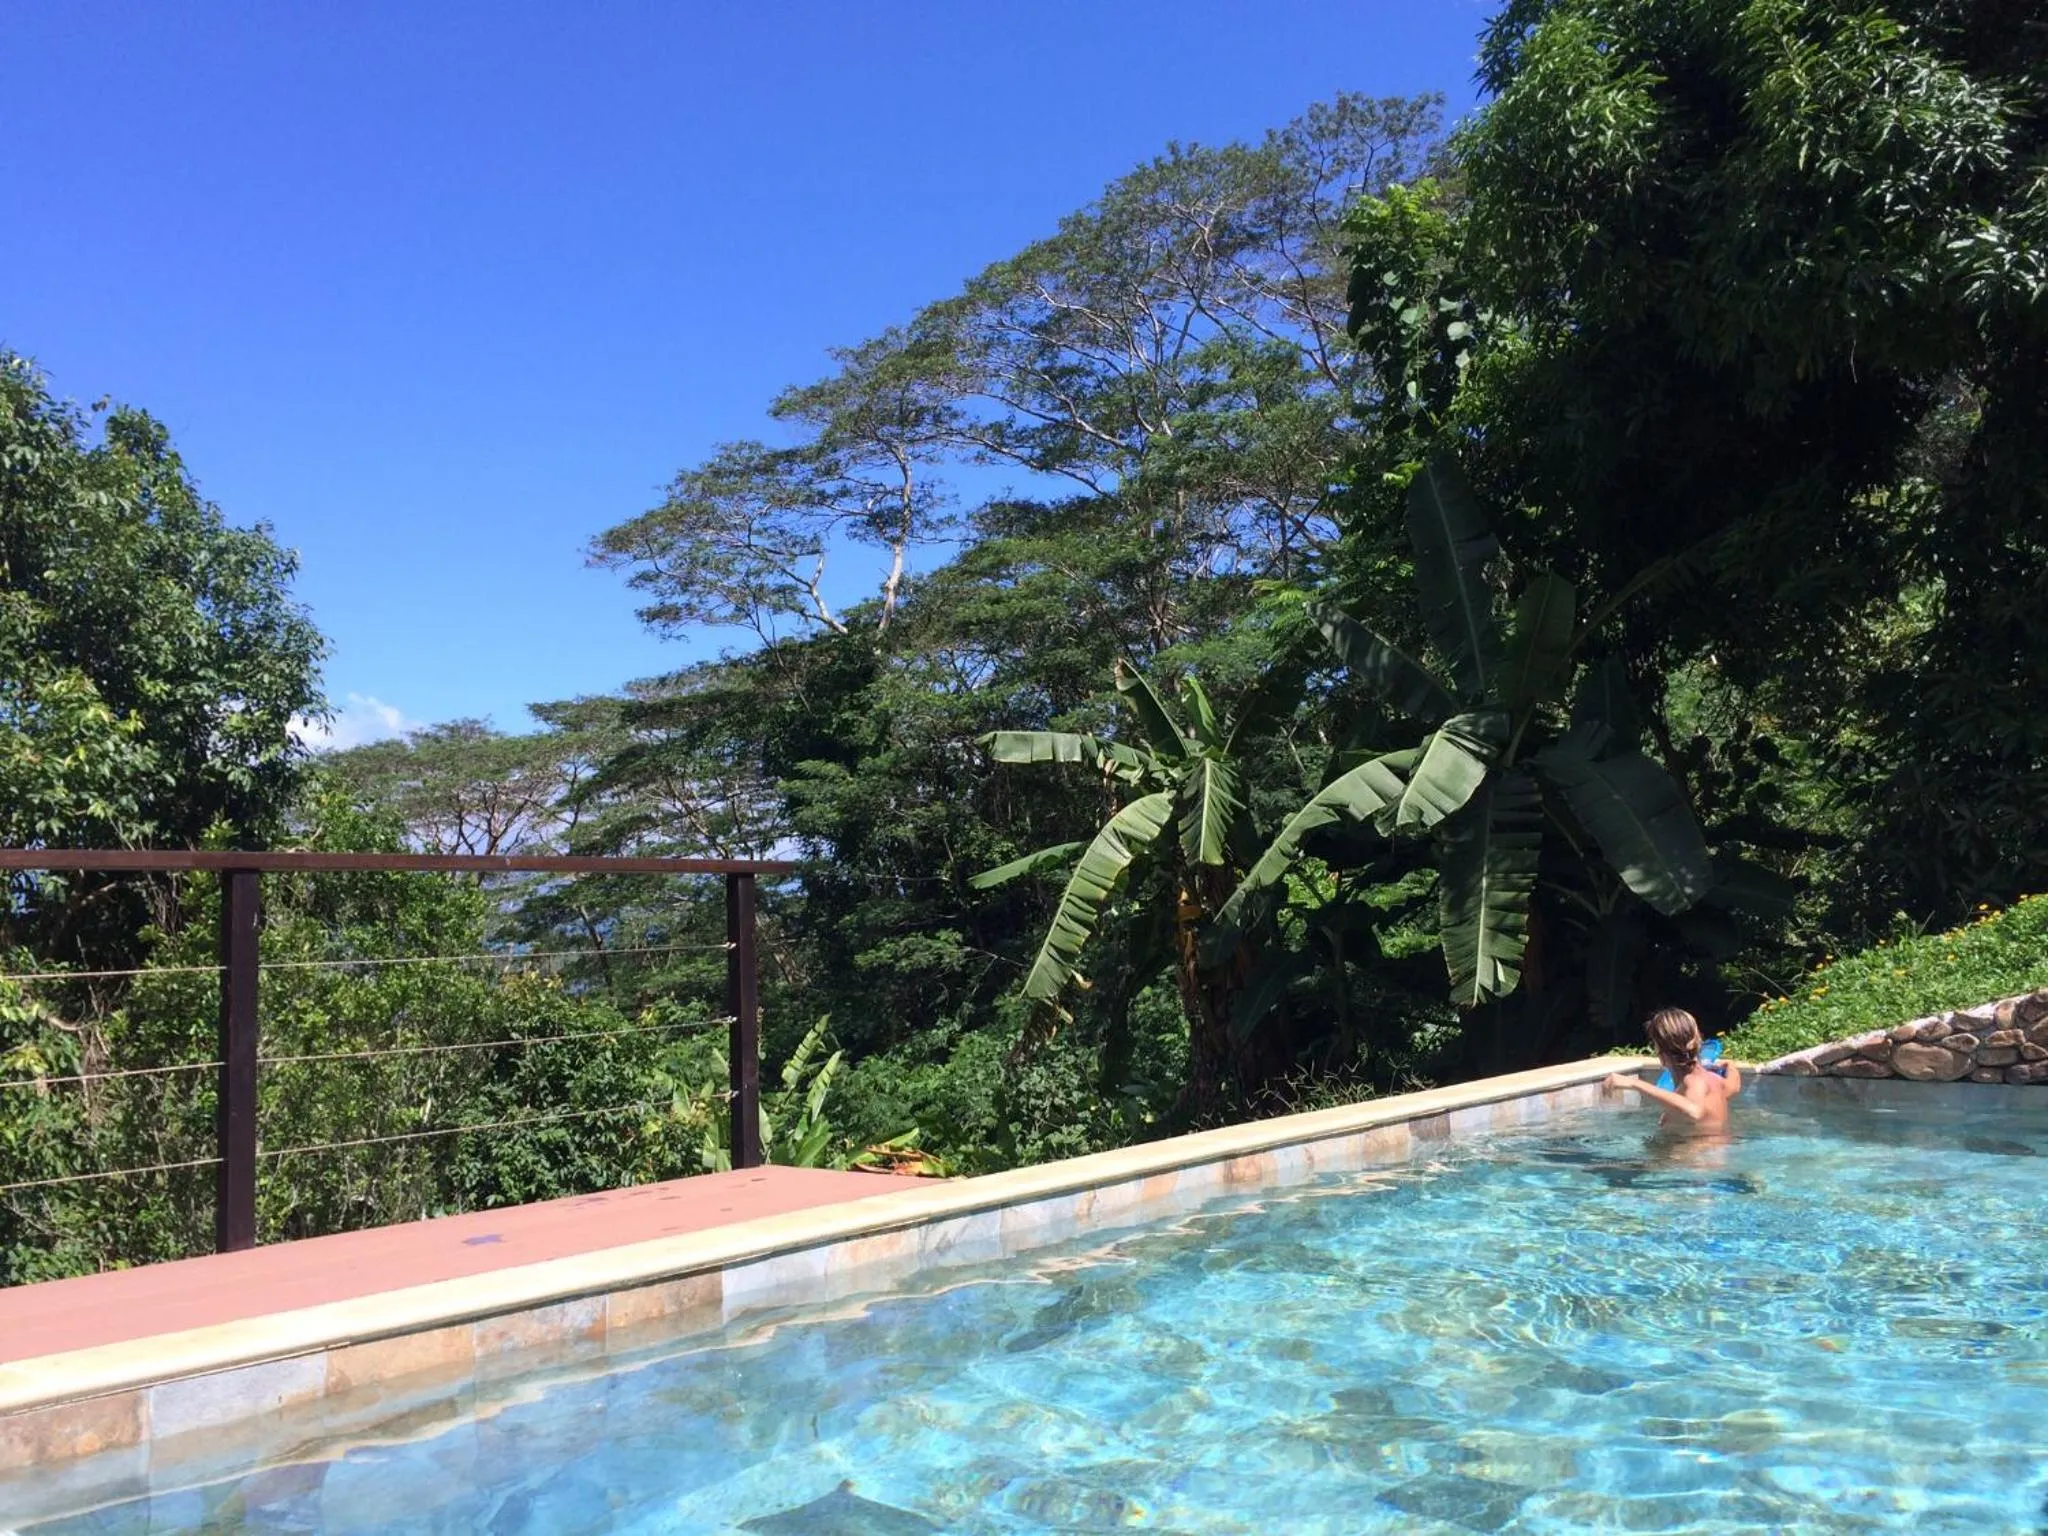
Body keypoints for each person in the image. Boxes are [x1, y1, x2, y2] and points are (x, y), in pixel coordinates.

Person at [1604, 1007, 1741, 1131]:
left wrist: (1634, 1083)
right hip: (1709, 1155)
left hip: (1690, 1158)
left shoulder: (1693, 1082)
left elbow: (1695, 1111)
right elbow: (1734, 1086)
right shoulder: (1715, 1081)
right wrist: (1730, 1065)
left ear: (1661, 1053)